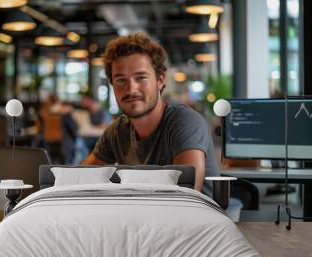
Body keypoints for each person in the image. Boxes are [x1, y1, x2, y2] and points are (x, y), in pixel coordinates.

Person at [82, 33, 219, 195]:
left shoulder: (184, 122)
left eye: (140, 78)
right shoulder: (117, 132)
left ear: (160, 80)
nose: (131, 89)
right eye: (120, 80)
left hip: (196, 217)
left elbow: (184, 196)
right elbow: (81, 179)